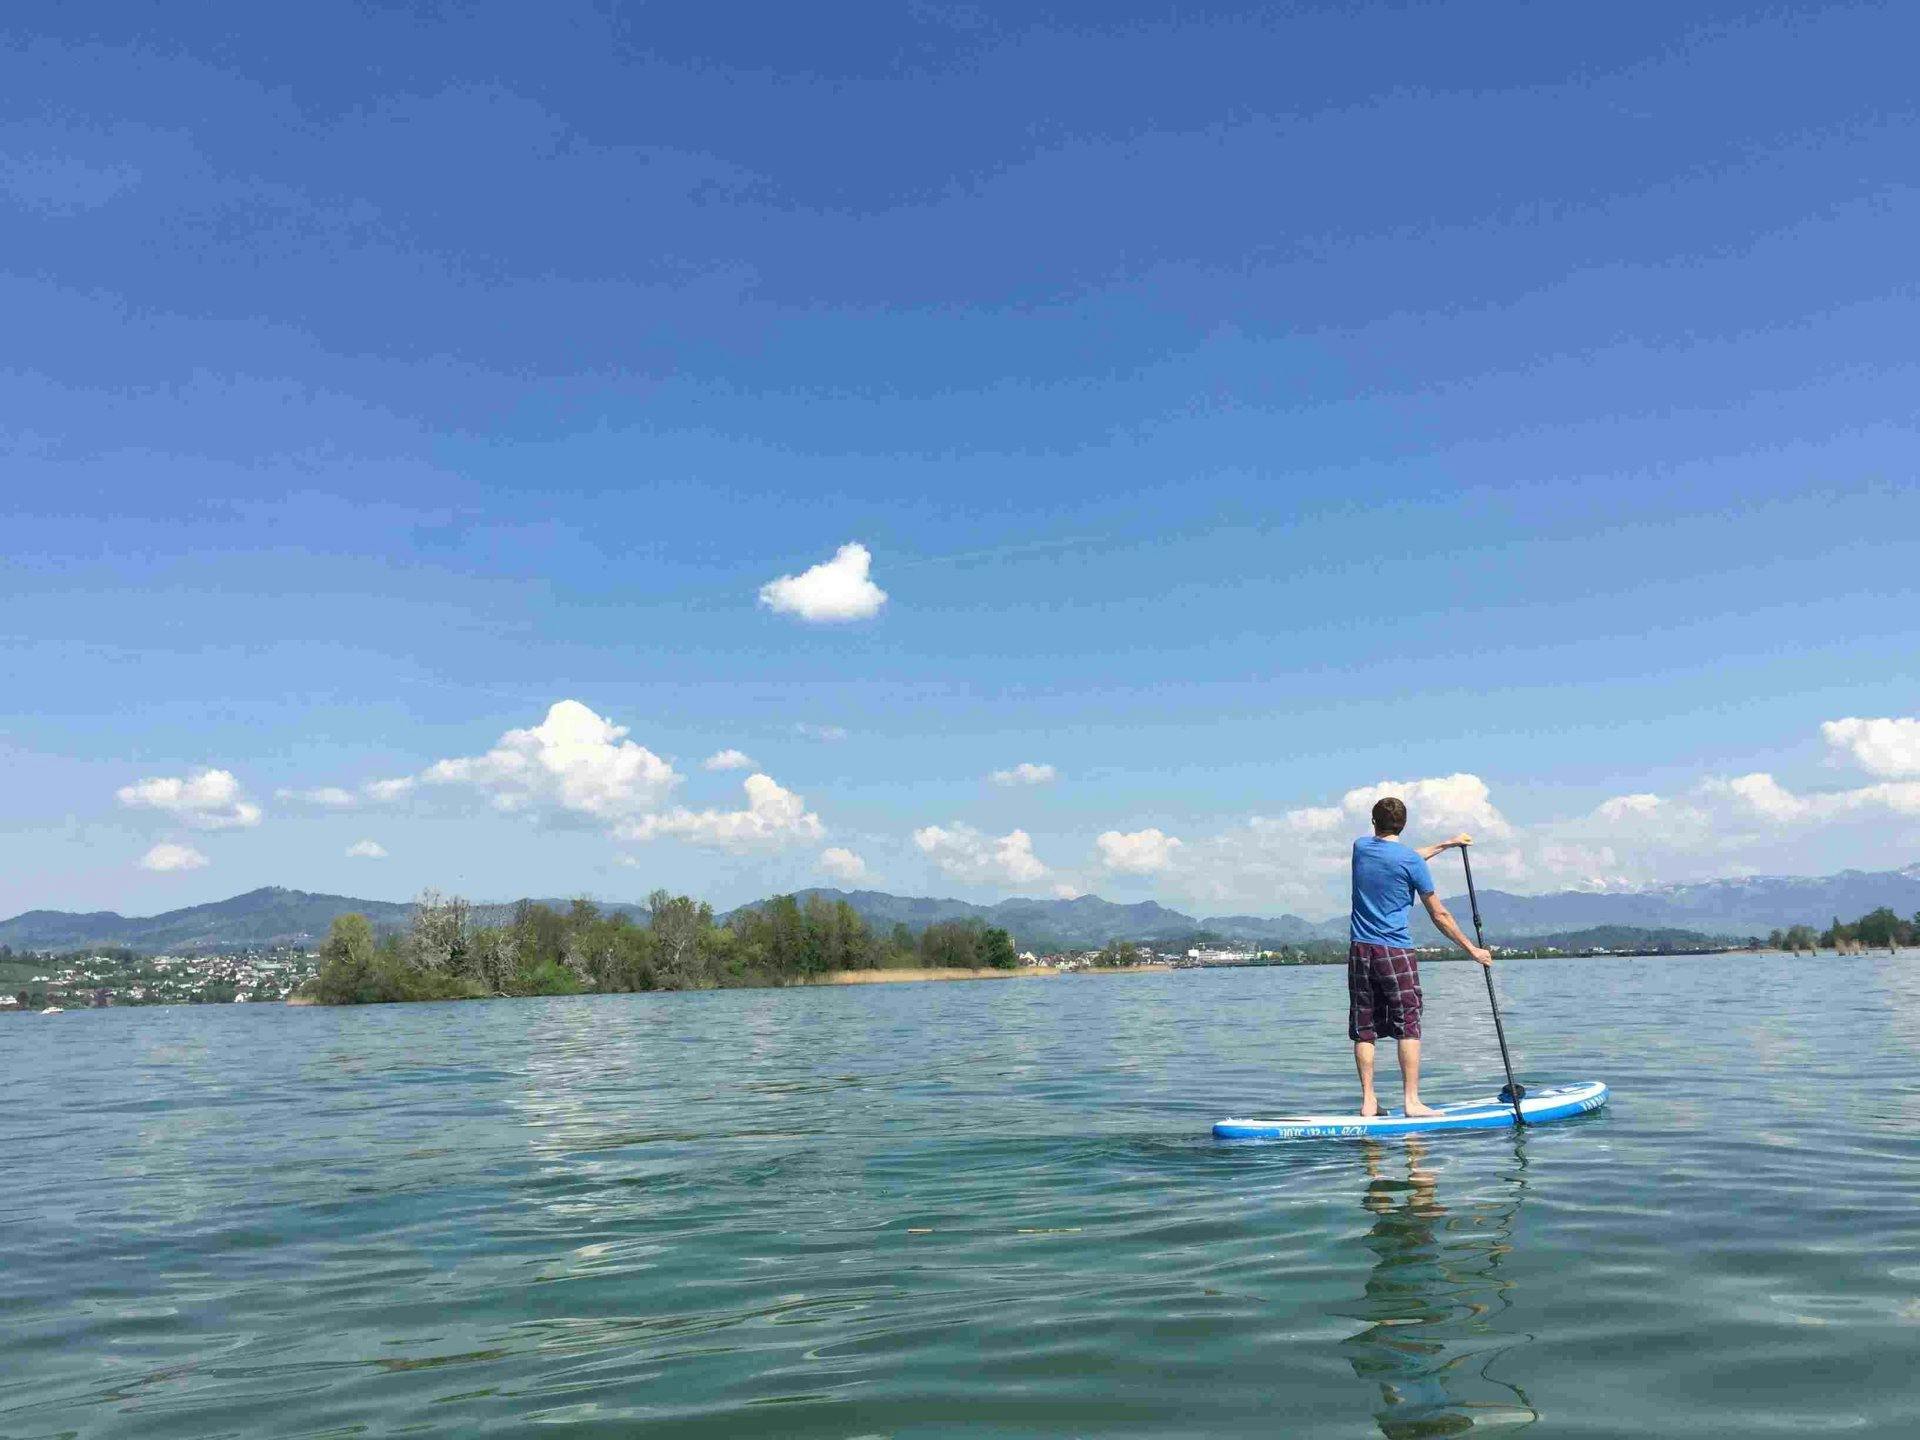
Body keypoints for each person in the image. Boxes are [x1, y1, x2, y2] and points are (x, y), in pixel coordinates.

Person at [1349, 796, 1492, 1117]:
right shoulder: (1410, 863)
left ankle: (1368, 1101)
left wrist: (1447, 844)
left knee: (1364, 1025)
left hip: (1360, 950)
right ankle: (1412, 1101)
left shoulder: (1360, 848)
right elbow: (1439, 914)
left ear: (1373, 822)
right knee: (1408, 1024)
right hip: (1395, 949)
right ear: (1405, 824)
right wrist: (1473, 950)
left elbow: (1404, 856)